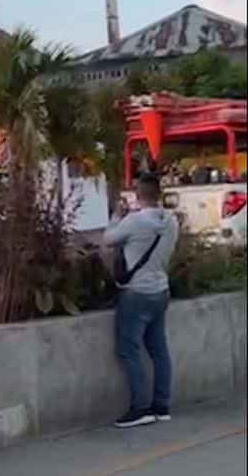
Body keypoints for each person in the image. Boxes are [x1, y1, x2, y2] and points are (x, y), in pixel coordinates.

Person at [104, 172, 179, 429]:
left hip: (136, 294)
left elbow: (108, 239)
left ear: (137, 194)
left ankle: (140, 408)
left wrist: (116, 215)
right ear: (158, 194)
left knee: (128, 349)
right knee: (158, 349)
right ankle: (162, 405)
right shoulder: (171, 221)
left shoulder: (135, 221)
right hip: (161, 290)